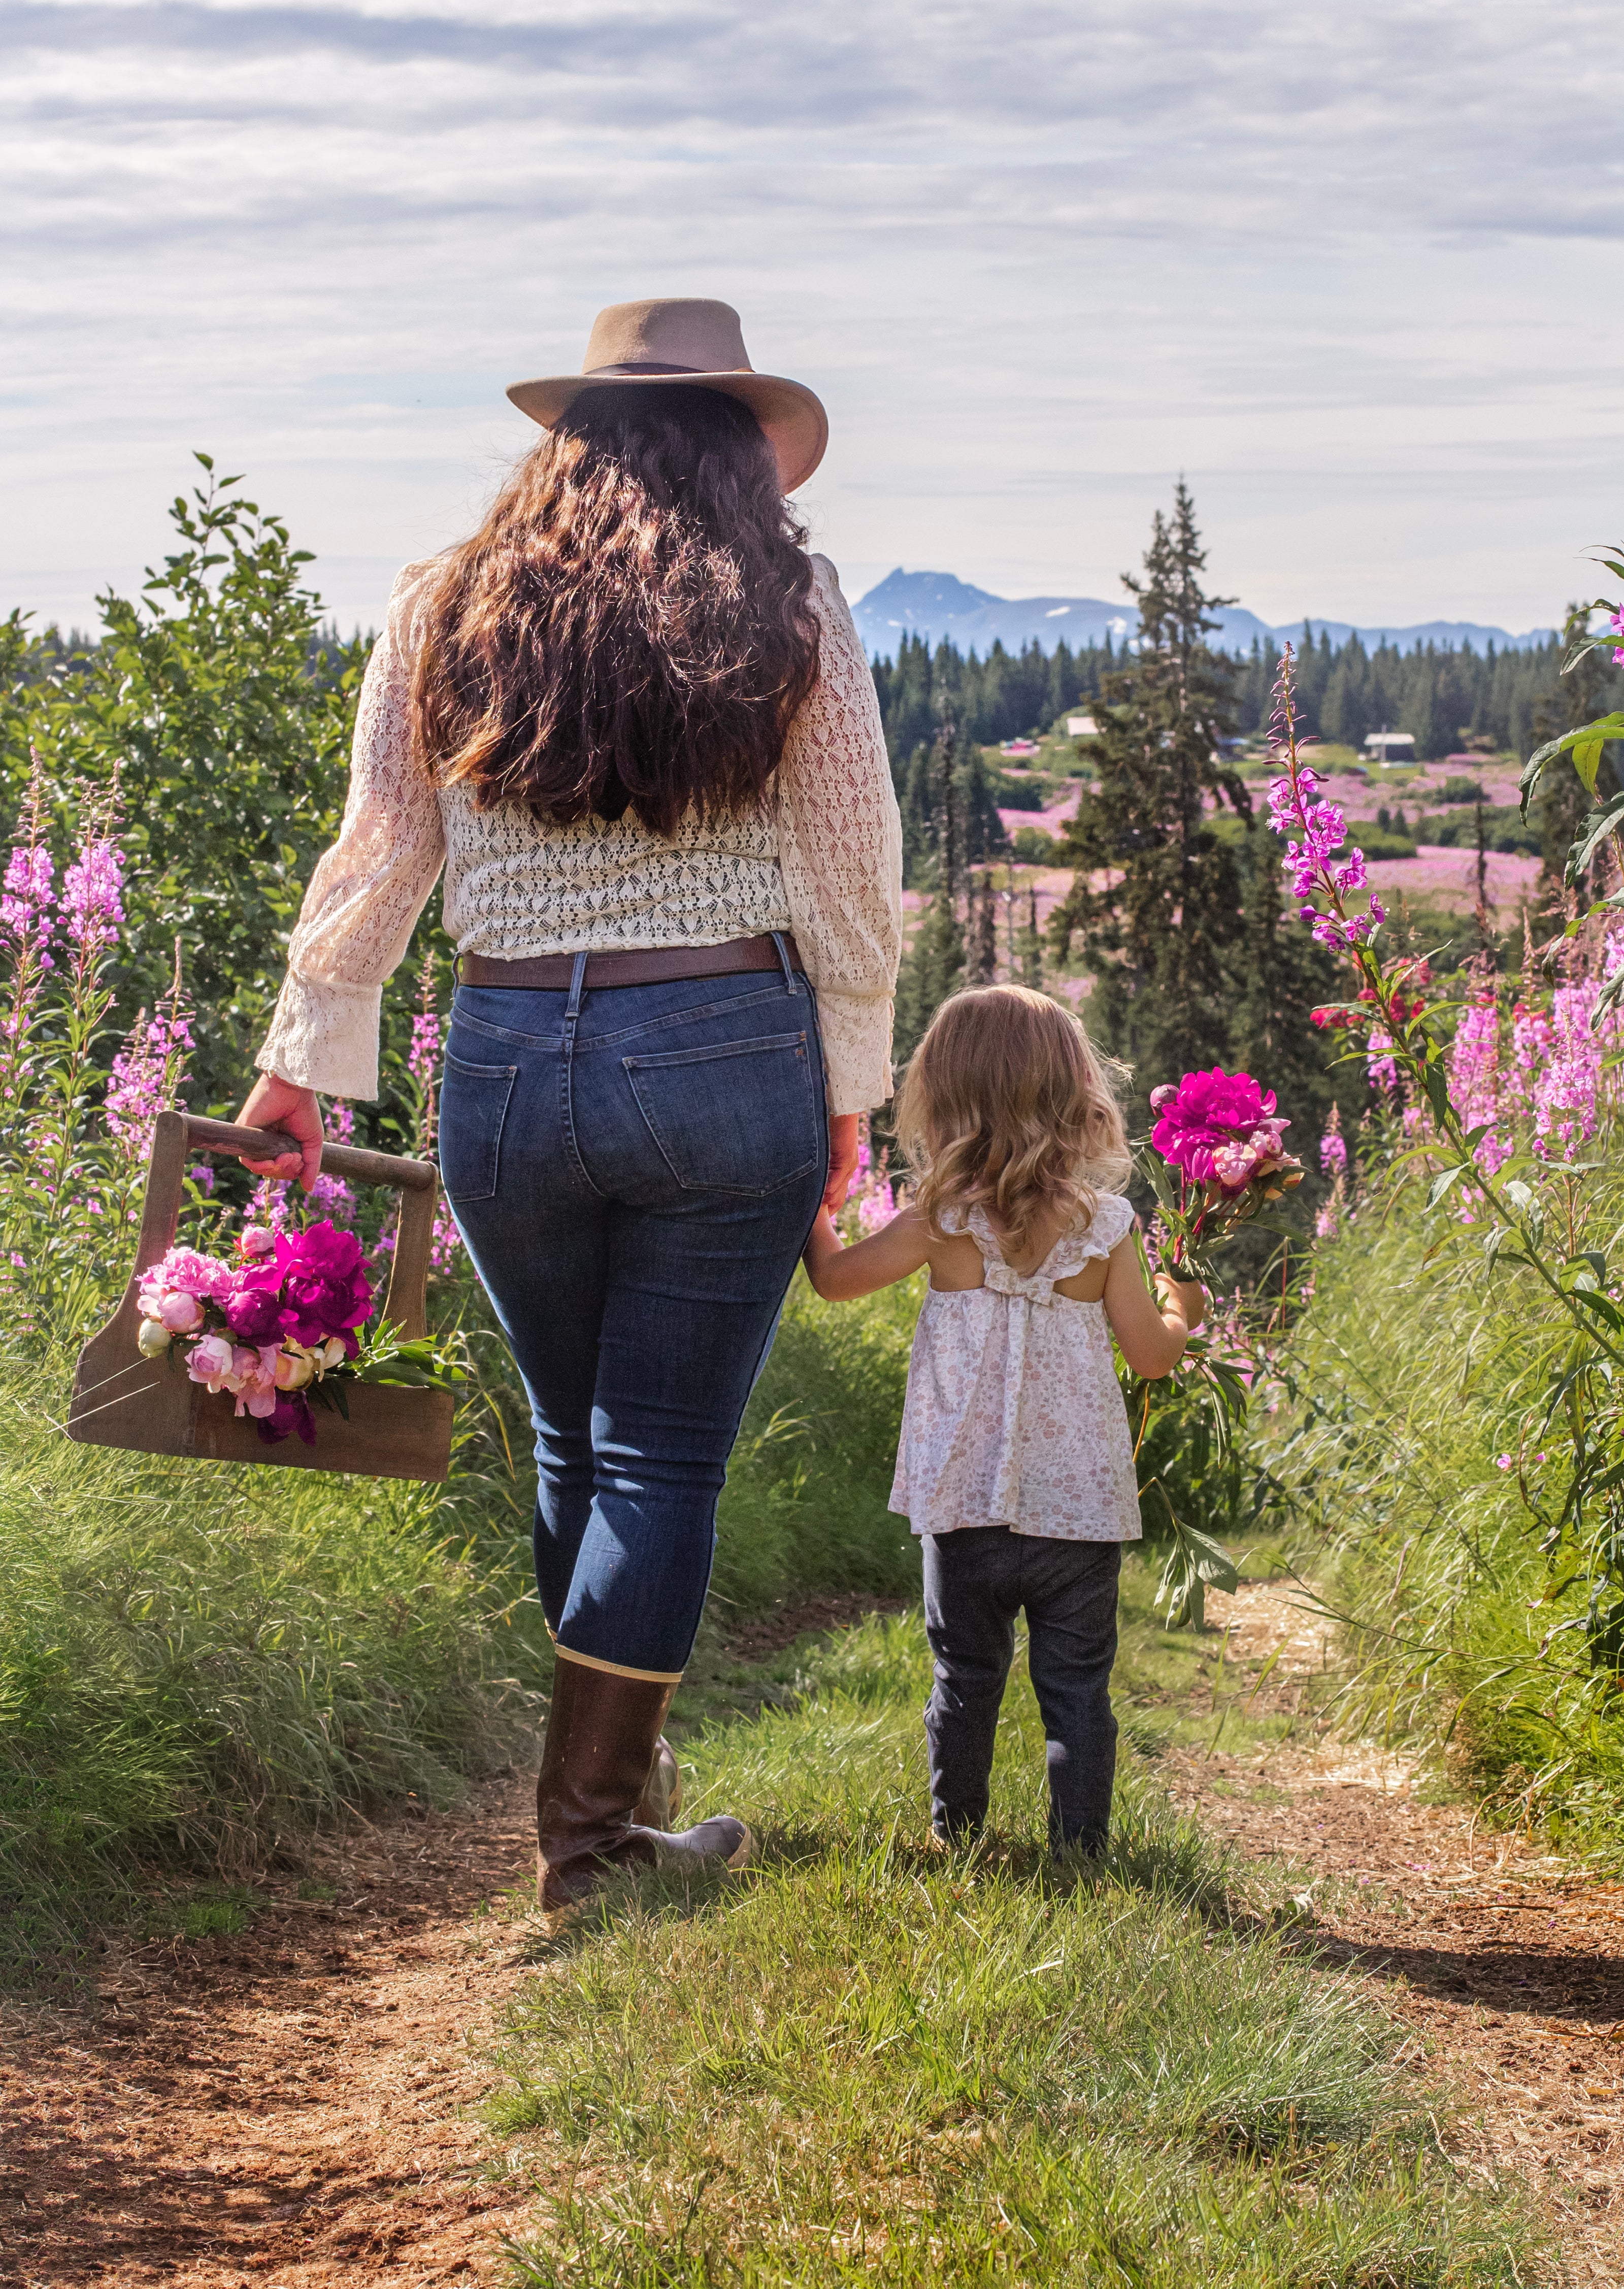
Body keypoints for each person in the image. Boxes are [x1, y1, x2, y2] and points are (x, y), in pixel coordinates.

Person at [238, 297, 903, 1905]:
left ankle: (614, 1798)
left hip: (507, 1055)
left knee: (571, 1437)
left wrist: (300, 1056)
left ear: (570, 439)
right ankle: (593, 1838)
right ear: (739, 446)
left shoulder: (446, 599)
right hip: (724, 1043)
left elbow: (381, 851)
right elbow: (849, 859)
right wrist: (853, 1086)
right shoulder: (791, 600)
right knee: (659, 1458)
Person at [804, 985, 1203, 1857]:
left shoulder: (939, 1222)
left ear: (944, 1097)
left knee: (965, 1675)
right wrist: (1185, 1307)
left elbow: (833, 1281)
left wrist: (813, 1204)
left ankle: (958, 1836)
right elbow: (1151, 1355)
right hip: (1079, 1510)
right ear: (1073, 1094)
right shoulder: (1106, 1227)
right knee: (1078, 1689)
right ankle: (1080, 1851)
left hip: (964, 1502)